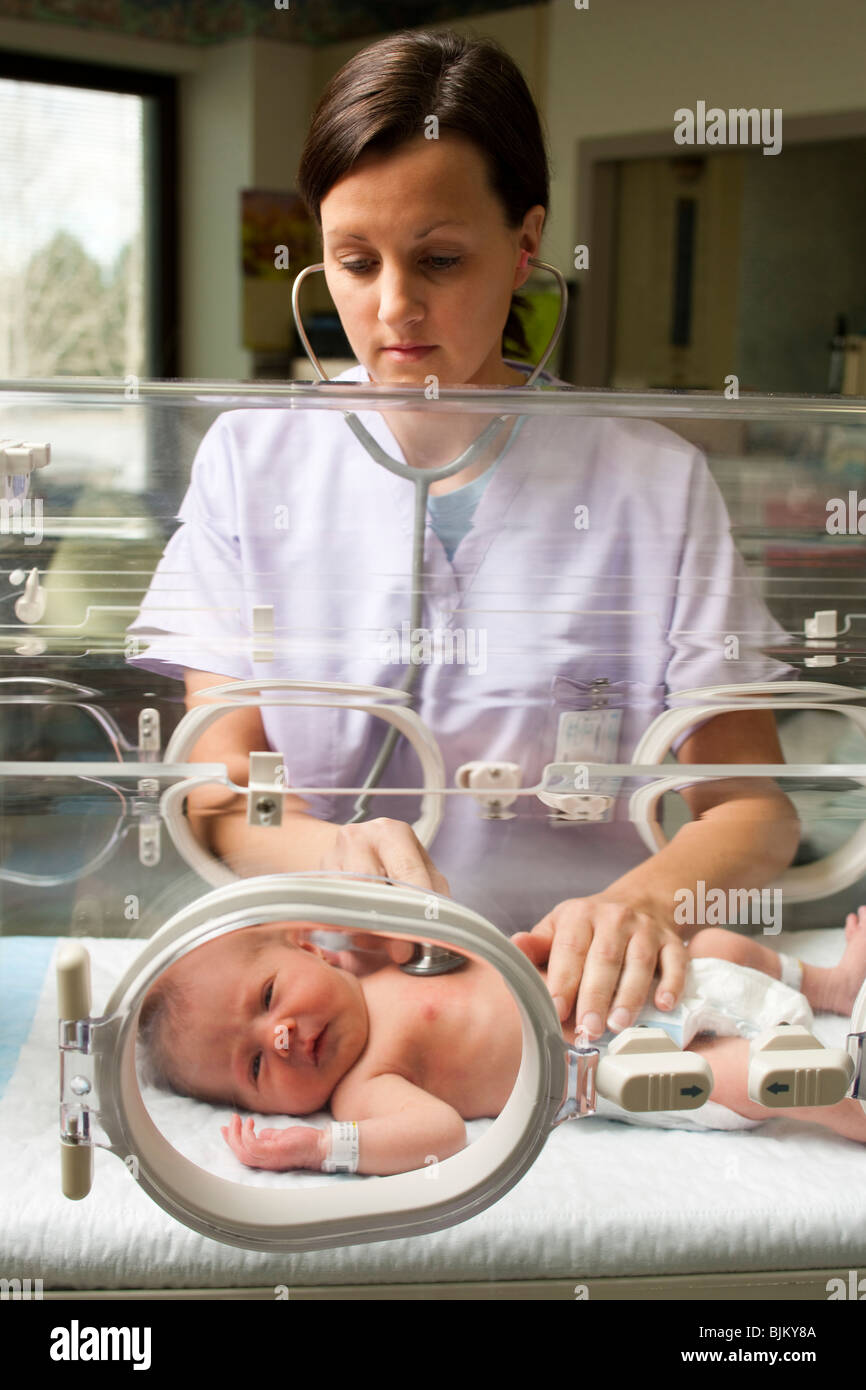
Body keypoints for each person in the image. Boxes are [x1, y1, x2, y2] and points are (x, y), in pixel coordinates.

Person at [126, 29, 800, 1046]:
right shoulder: (250, 463)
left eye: (439, 259)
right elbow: (219, 795)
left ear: (526, 245)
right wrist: (324, 855)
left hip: (586, 1009)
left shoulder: (650, 483)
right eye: (353, 262)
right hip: (334, 1012)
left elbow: (754, 809)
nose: (393, 307)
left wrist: (645, 901)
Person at [137, 907, 866, 1177]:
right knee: (736, 1076)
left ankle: (829, 985)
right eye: (255, 1063)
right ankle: (833, 1099)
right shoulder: (366, 1084)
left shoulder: (388, 953)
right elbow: (441, 1134)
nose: (284, 1035)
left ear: (313, 950)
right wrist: (327, 1148)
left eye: (268, 999)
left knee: (715, 943)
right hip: (625, 1064)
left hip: (639, 988)